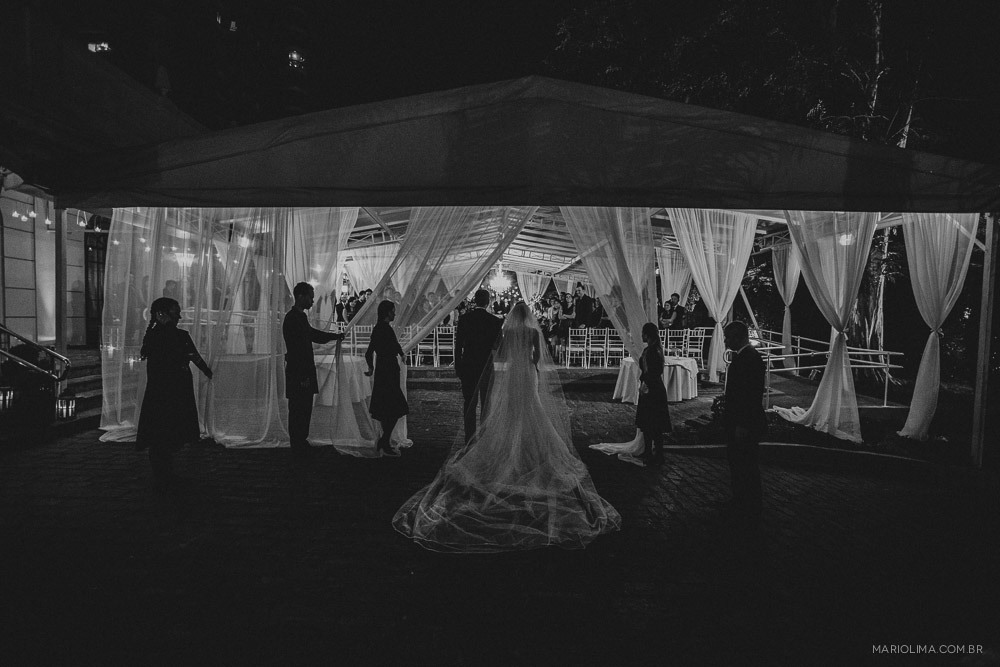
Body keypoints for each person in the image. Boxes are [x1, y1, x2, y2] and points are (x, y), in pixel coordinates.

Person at [392, 302, 621, 552]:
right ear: (529, 316)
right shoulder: (533, 333)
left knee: (511, 408)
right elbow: (536, 357)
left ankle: (505, 438)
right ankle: (530, 441)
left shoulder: (508, 332)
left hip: (512, 373)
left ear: (513, 316)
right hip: (527, 372)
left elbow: (501, 353)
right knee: (531, 407)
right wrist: (529, 361)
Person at [135, 297, 213, 488]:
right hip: (169, 391)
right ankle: (163, 474)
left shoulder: (158, 337)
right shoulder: (170, 337)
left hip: (164, 391)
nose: (179, 315)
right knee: (166, 430)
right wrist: (208, 371)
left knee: (164, 432)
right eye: (175, 312)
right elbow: (193, 356)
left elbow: (192, 356)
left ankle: (164, 472)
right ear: (162, 315)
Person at [282, 282, 344, 456]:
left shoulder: (298, 317)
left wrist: (334, 336)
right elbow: (304, 343)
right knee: (298, 408)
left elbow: (313, 335)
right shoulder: (293, 318)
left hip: (301, 370)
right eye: (310, 297)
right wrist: (334, 336)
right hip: (299, 371)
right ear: (301, 296)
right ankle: (297, 443)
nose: (312, 301)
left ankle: (300, 440)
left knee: (303, 408)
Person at [722, 321, 766, 525]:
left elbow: (749, 395)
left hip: (744, 422)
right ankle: (741, 498)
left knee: (745, 462)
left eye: (728, 337)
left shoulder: (750, 359)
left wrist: (742, 424)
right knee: (738, 461)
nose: (725, 341)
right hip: (738, 419)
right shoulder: (745, 357)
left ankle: (748, 503)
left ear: (738, 337)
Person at [455, 288, 502, 444]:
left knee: (469, 403)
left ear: (475, 300)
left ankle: (469, 439)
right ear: (488, 302)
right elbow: (498, 345)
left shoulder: (464, 319)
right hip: (487, 366)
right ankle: (484, 439)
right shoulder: (495, 321)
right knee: (486, 403)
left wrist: (458, 365)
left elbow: (458, 345)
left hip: (468, 364)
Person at [364, 300, 409, 457]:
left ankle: (386, 440)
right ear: (387, 312)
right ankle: (385, 440)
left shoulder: (379, 329)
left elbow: (369, 352)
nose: (394, 313)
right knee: (395, 407)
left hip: (384, 371)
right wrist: (401, 354)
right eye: (392, 311)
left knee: (386, 407)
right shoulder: (384, 329)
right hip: (388, 371)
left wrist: (371, 368)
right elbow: (391, 346)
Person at [631, 322, 671, 466]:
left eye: (643, 333)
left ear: (647, 335)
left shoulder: (652, 351)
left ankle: (655, 453)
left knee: (652, 422)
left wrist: (645, 382)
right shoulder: (654, 349)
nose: (641, 336)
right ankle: (650, 451)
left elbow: (653, 371)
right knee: (650, 422)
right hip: (654, 387)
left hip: (652, 389)